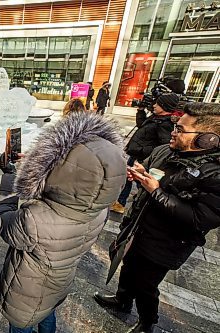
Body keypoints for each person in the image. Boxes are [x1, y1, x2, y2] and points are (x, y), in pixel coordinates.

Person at [0, 112, 126, 333]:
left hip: (27, 293)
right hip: (59, 284)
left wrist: (10, 179)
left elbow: (3, 220)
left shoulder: (36, 218)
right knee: (48, 315)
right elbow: (72, 190)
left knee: (21, 326)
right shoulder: (99, 210)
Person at [94, 102, 220, 333]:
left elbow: (199, 219)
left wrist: (156, 191)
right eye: (176, 125)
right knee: (128, 265)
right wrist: (141, 175)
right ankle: (122, 299)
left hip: (167, 243)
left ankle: (146, 321)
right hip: (139, 227)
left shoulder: (214, 173)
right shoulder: (165, 151)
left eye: (181, 129)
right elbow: (152, 175)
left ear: (207, 138)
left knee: (146, 285)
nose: (173, 132)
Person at [111, 93, 179, 214]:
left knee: (141, 181)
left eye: (157, 103)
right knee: (129, 179)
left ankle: (138, 203)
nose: (154, 105)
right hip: (136, 155)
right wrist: (141, 111)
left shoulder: (165, 124)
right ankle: (121, 203)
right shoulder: (155, 118)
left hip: (143, 158)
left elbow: (163, 146)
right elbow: (140, 125)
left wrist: (143, 152)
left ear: (164, 106)